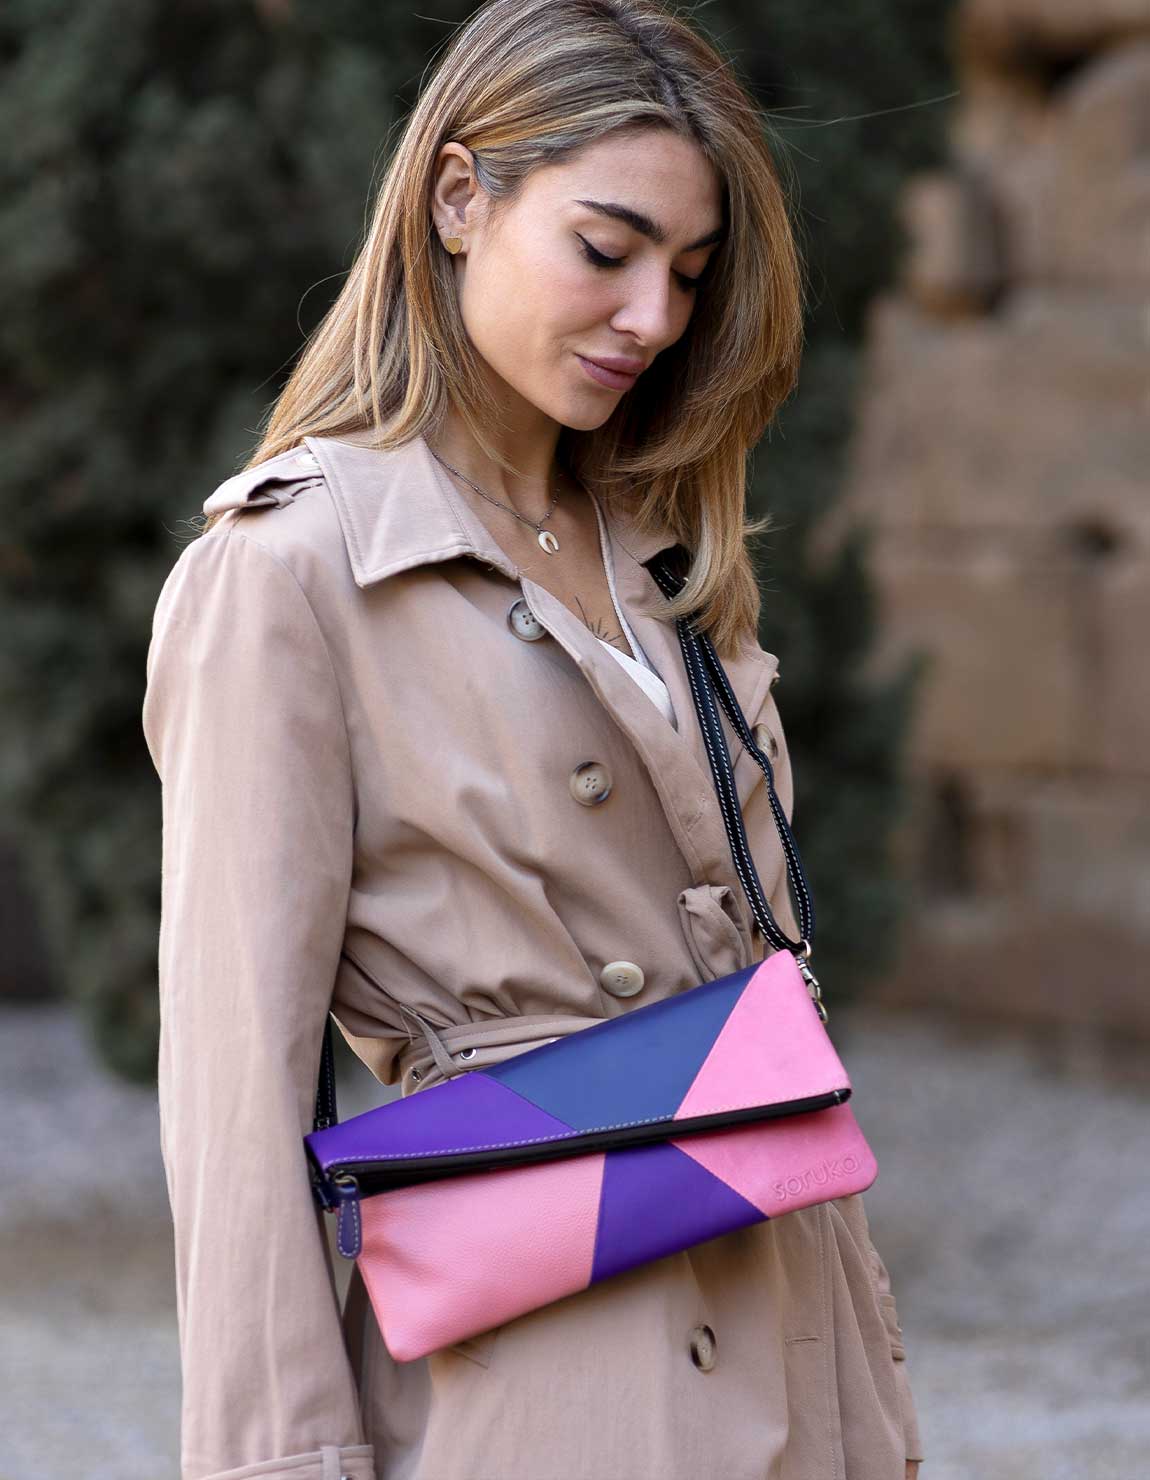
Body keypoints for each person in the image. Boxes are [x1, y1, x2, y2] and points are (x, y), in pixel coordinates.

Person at [141, 1, 925, 1476]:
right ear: (460, 198)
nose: (654, 318)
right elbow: (235, 1093)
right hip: (551, 1378)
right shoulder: (290, 574)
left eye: (690, 272)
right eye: (605, 249)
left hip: (790, 1312)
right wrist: (281, 1461)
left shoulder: (664, 547)